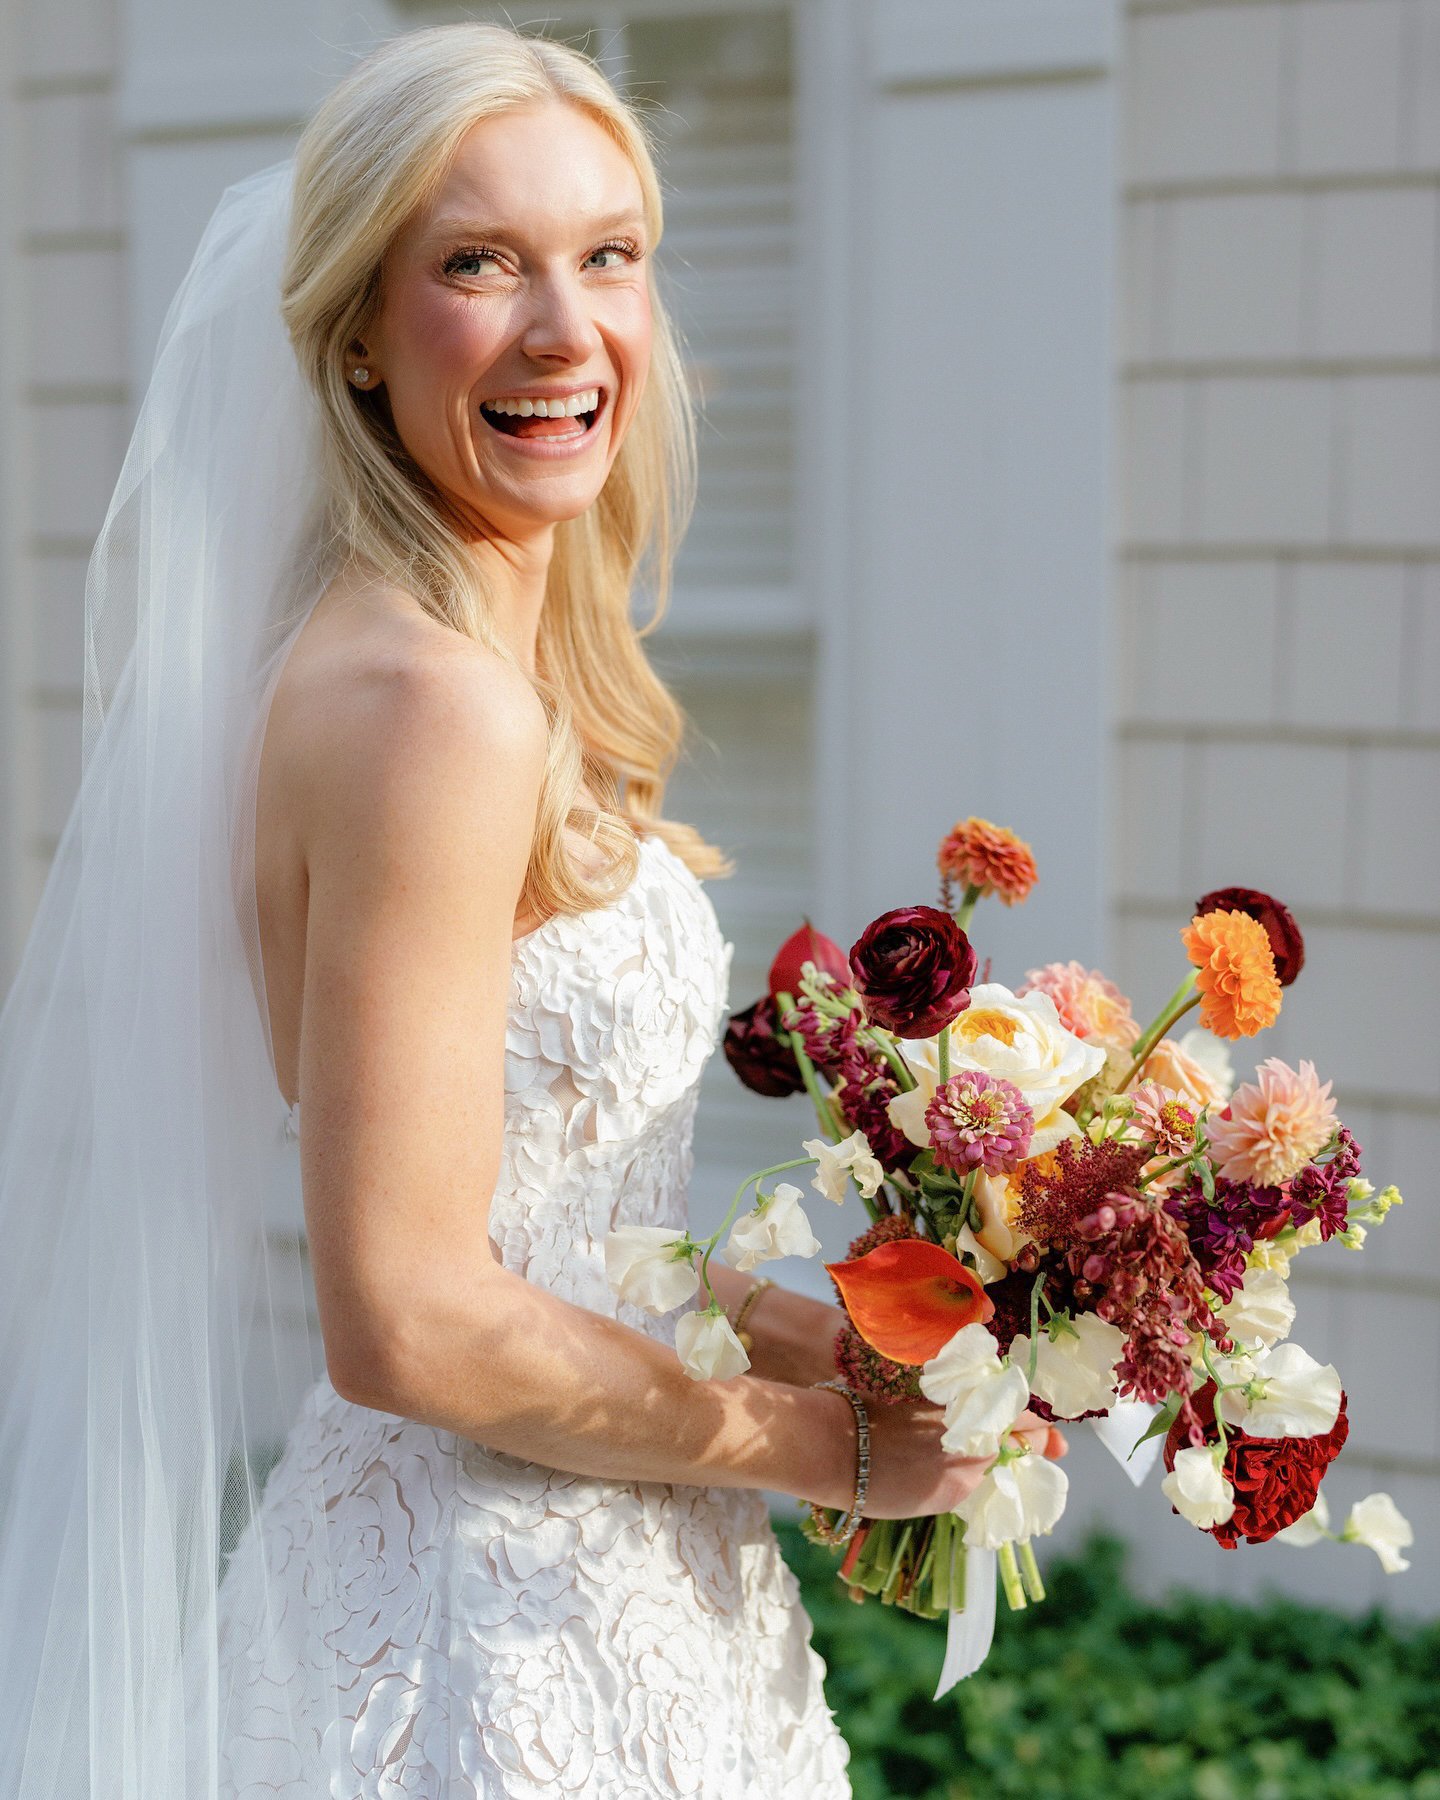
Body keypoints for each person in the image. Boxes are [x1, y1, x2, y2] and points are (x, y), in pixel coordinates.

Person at [0, 23, 1064, 1798]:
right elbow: (410, 1313)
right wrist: (820, 1449)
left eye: (609, 255)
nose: (567, 329)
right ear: (356, 328)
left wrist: (855, 1343)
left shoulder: (452, 666)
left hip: (610, 1571)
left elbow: (544, 1225)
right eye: (480, 264)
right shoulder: (429, 709)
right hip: (493, 1634)